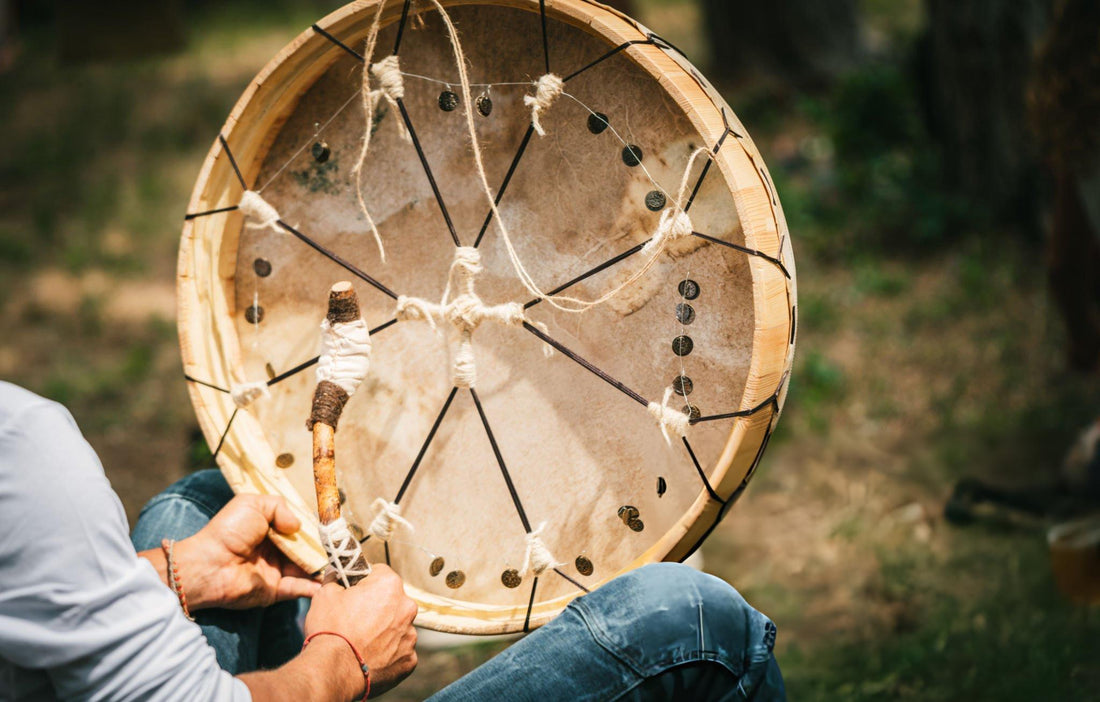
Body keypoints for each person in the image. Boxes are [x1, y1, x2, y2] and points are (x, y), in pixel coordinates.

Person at [0, 380, 786, 700]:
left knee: (204, 503)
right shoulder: (22, 448)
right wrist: (346, 659)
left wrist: (171, 573)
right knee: (695, 621)